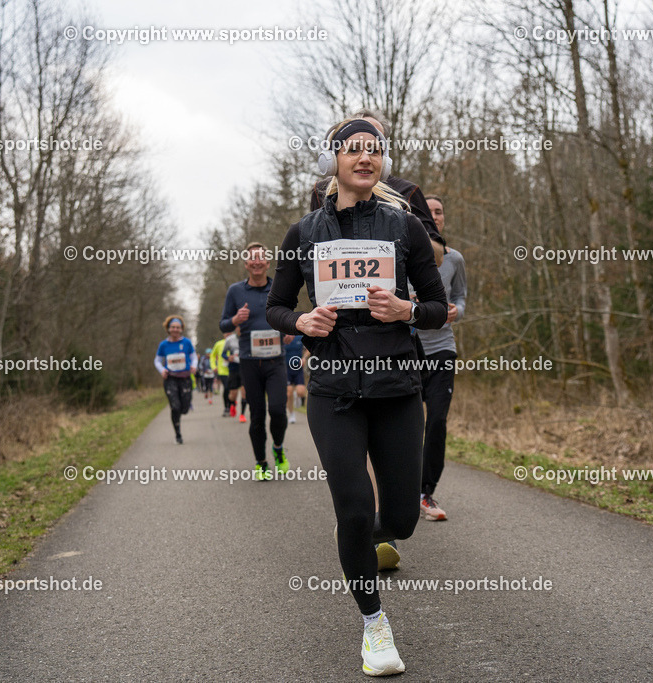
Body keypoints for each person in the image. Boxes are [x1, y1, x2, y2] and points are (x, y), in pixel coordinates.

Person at [267, 118, 447, 676]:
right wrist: (303, 322)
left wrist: (407, 310)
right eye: (353, 150)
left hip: (395, 387)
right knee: (353, 507)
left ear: (382, 164)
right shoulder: (303, 234)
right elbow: (276, 306)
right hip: (334, 391)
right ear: (334, 161)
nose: (364, 158)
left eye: (374, 151)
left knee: (399, 517)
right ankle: (374, 627)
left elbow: (439, 308)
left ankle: (365, 536)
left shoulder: (405, 229)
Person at [309, 108, 445, 267]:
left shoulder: (408, 191)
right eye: (354, 147)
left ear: (384, 153)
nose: (364, 156)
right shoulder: (321, 191)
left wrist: (404, 228)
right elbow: (311, 257)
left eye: (372, 147)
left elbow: (438, 257)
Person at [220, 244, 289, 481]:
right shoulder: (235, 291)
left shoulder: (278, 287)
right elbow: (223, 325)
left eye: (261, 257)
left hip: (275, 360)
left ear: (268, 263)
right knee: (257, 415)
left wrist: (289, 329)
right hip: (249, 362)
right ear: (246, 264)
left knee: (278, 410)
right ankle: (261, 463)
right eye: (252, 258)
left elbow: (288, 314)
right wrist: (235, 319)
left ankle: (278, 448)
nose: (256, 262)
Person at [417, 195, 467, 521]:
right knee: (405, 424)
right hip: (405, 352)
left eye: (439, 212)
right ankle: (396, 488)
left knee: (436, 421)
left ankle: (426, 493)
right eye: (428, 211)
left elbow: (461, 296)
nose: (434, 216)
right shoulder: (400, 253)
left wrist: (456, 311)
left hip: (442, 350)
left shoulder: (455, 260)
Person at [155, 315, 197, 444]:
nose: (175, 330)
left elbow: (194, 357)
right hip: (171, 379)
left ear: (181, 329)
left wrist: (194, 366)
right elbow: (157, 360)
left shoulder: (187, 343)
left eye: (178, 327)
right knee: (175, 406)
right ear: (168, 329)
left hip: (185, 378)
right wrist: (162, 370)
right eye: (173, 327)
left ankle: (187, 404)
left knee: (183, 409)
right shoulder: (163, 345)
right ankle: (178, 434)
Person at [222, 327, 244, 421]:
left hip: (245, 368)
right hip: (233, 369)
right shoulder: (230, 339)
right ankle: (232, 403)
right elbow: (223, 354)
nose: (240, 328)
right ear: (236, 328)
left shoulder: (248, 336)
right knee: (233, 394)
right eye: (239, 326)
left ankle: (242, 414)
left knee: (244, 392)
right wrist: (228, 357)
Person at [284, 334, 306, 423]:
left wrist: (304, 358)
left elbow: (309, 349)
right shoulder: (283, 337)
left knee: (301, 392)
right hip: (286, 369)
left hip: (298, 369)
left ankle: (297, 396)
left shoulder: (300, 337)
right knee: (288, 393)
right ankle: (292, 414)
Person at [210, 334, 231, 416]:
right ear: (223, 334)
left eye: (230, 332)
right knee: (226, 388)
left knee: (232, 390)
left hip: (234, 370)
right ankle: (226, 407)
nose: (228, 335)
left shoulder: (236, 342)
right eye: (226, 333)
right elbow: (212, 355)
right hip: (222, 370)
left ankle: (232, 403)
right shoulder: (219, 344)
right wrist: (213, 366)